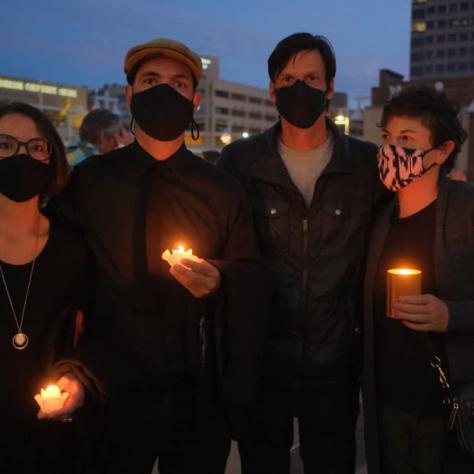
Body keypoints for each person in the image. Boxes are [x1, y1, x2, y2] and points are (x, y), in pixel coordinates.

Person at [49, 38, 269, 474]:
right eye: (151, 81)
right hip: (108, 386)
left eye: (178, 84)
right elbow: (59, 270)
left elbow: (254, 273)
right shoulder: (92, 181)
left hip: (197, 394)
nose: (164, 92)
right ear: (130, 95)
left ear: (195, 100)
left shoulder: (222, 189)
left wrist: (220, 278)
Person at [218, 32, 388, 474]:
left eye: (311, 77)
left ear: (330, 88)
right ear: (272, 89)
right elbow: (223, 246)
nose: (300, 87)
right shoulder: (240, 162)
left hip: (336, 362)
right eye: (288, 78)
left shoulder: (367, 165)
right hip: (262, 359)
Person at [362, 86, 474, 474]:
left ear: (442, 151)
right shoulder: (381, 220)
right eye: (387, 138)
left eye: (407, 140)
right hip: (390, 404)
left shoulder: (465, 210)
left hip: (450, 408)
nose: (391, 150)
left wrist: (452, 315)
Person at [0, 102, 87, 473]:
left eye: (36, 147)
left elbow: (96, 331)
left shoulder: (72, 248)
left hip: (50, 439)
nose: (23, 156)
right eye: (5, 145)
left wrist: (79, 378)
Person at [67, 109, 132, 166]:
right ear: (103, 138)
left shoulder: (68, 152)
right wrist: (129, 146)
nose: (117, 145)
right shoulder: (98, 164)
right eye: (119, 134)